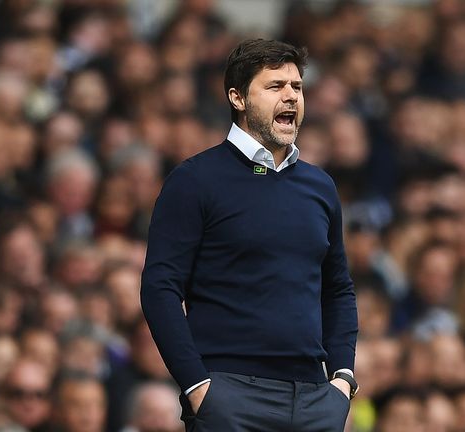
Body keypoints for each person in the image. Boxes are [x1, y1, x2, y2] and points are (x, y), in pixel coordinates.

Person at [140, 39, 359, 431]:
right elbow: (160, 288)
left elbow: (338, 288)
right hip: (229, 395)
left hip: (315, 398)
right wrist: (197, 385)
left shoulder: (320, 186)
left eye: (297, 87)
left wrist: (342, 379)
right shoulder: (194, 180)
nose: (291, 96)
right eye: (275, 87)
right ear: (237, 98)